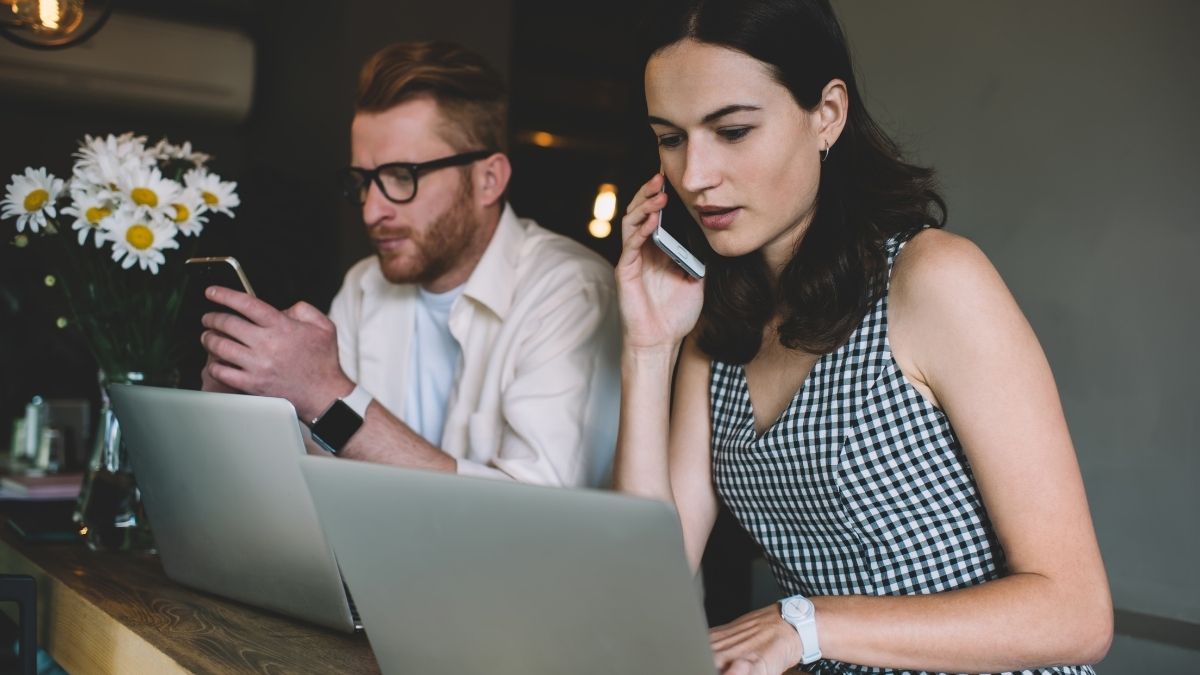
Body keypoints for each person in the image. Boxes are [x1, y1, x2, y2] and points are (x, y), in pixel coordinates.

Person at [614, 1, 1112, 673]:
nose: (695, 175)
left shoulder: (933, 278)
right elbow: (644, 584)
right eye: (670, 138)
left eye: (731, 130)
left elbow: (1076, 613)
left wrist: (806, 623)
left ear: (828, 114)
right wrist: (648, 347)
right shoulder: (717, 330)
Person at [199, 41, 620, 487]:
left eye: (403, 176)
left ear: (488, 179)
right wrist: (255, 408)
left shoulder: (573, 292)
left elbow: (537, 515)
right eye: (362, 181)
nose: (371, 211)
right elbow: (320, 464)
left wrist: (326, 395)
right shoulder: (365, 285)